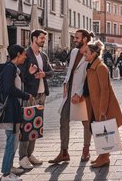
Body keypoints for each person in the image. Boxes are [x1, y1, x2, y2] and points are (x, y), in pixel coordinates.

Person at [48, 29, 94, 164]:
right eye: (74, 38)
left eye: (77, 38)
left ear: (85, 39)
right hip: (69, 92)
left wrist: (79, 93)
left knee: (86, 122)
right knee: (63, 120)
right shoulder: (74, 52)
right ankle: (64, 152)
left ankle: (86, 150)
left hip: (82, 94)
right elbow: (70, 70)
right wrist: (65, 83)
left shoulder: (91, 53)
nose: (74, 40)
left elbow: (89, 78)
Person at [0, 45, 36, 181]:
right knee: (11, 142)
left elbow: (16, 84)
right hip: (10, 111)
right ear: (18, 54)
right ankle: (6, 174)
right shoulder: (9, 68)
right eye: (24, 54)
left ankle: (10, 168)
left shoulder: (13, 68)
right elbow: (9, 89)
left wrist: (28, 74)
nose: (25, 57)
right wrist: (26, 95)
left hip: (14, 109)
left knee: (13, 141)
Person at [83, 40, 122, 168]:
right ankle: (102, 155)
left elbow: (105, 90)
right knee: (97, 130)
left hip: (100, 106)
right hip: (93, 104)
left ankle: (104, 157)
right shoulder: (91, 66)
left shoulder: (100, 67)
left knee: (103, 130)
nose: (84, 55)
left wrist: (102, 110)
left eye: (86, 53)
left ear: (94, 54)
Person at [18, 29, 53, 169]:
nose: (43, 40)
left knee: (35, 126)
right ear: (34, 38)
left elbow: (51, 72)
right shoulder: (25, 55)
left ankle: (30, 153)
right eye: (41, 38)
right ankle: (22, 157)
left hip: (42, 94)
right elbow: (21, 77)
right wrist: (32, 74)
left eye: (44, 38)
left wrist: (44, 74)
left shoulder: (43, 56)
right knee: (26, 126)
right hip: (30, 95)